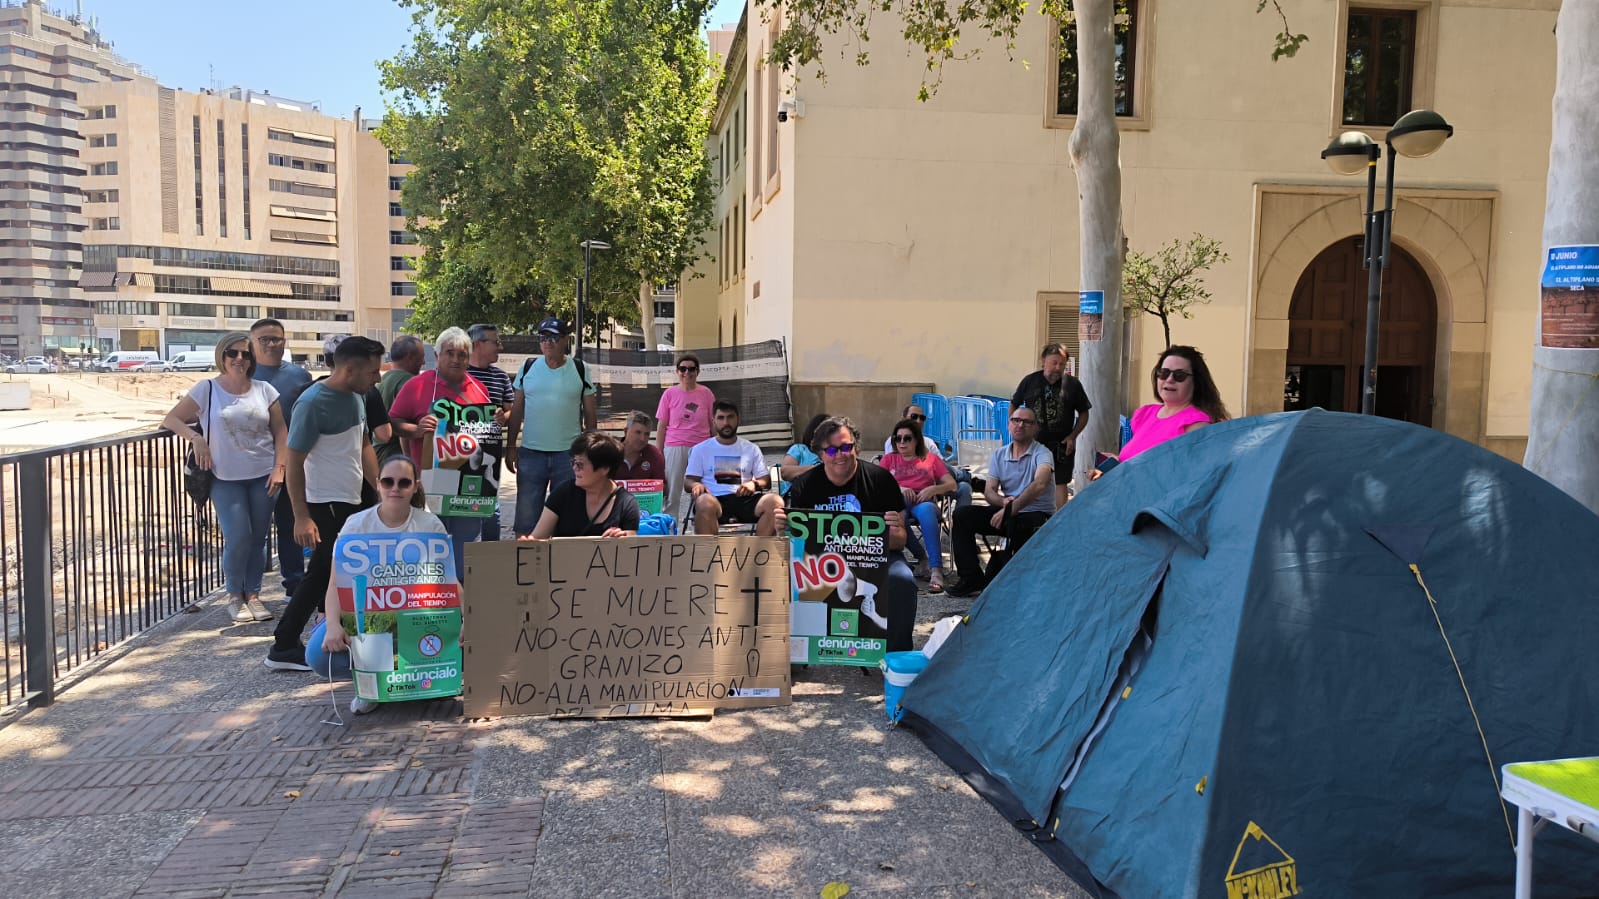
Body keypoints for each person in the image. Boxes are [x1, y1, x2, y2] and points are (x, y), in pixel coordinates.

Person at [264, 336, 385, 672]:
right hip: (324, 503)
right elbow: (294, 460)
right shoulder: (312, 403)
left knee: (338, 572)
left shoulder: (358, 396)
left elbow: (362, 445)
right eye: (373, 372)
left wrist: (379, 488)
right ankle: (283, 645)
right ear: (349, 369)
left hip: (354, 498)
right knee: (321, 573)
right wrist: (301, 516)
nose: (378, 378)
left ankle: (336, 630)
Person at [162, 332, 287, 623]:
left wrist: (279, 468)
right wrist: (196, 438)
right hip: (224, 476)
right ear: (222, 356)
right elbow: (171, 419)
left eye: (245, 354)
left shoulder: (265, 390)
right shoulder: (207, 389)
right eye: (233, 353)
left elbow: (281, 432)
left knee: (258, 538)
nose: (239, 359)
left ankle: (253, 595)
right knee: (237, 536)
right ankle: (234, 595)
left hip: (263, 474)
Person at [319, 453, 448, 714]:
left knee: (469, 645)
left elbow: (447, 581)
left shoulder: (430, 525)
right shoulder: (355, 526)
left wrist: (465, 623)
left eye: (404, 483)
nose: (395, 489)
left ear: (415, 486)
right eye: (388, 482)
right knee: (318, 656)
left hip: (416, 617)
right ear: (377, 484)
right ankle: (372, 686)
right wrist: (332, 625)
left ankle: (419, 682)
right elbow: (335, 585)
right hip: (369, 619)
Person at [784, 416, 918, 652]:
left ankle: (898, 660)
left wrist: (888, 535)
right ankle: (796, 653)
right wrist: (780, 527)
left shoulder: (881, 480)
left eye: (847, 447)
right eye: (832, 449)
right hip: (822, 564)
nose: (840, 455)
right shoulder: (803, 486)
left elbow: (900, 540)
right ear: (820, 454)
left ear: (856, 446)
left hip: (873, 560)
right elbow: (798, 543)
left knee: (902, 579)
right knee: (781, 579)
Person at [388, 327, 494, 576]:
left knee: (464, 547)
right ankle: (427, 599)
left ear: (469, 358)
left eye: (462, 354)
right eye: (450, 353)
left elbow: (485, 434)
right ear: (436, 356)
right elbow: (391, 422)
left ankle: (460, 603)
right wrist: (416, 429)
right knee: (426, 544)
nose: (456, 359)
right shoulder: (417, 386)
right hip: (428, 483)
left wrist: (495, 420)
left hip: (469, 485)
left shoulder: (479, 389)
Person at [946, 405, 1056, 598]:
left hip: (1036, 515)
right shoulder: (999, 454)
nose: (1020, 425)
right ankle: (971, 578)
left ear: (1035, 428)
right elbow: (989, 491)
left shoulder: (1043, 453)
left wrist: (1011, 508)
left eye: (1026, 422)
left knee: (1019, 524)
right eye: (1016, 420)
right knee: (962, 515)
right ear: (1008, 425)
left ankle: (1014, 582)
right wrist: (1004, 502)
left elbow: (1039, 484)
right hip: (1007, 510)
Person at [507, 318, 596, 536]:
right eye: (543, 338)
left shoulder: (580, 368)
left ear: (565, 340)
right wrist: (510, 447)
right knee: (527, 519)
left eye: (554, 337)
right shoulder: (528, 367)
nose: (548, 343)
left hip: (568, 456)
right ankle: (527, 565)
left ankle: (562, 565)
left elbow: (591, 416)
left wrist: (590, 454)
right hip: (531, 454)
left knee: (567, 518)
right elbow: (517, 410)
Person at [250, 318, 313, 596]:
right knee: (252, 532)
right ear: (252, 343)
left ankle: (294, 585)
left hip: (293, 462)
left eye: (276, 338)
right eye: (264, 339)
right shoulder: (245, 375)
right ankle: (247, 592)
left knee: (291, 525)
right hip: (252, 464)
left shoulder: (300, 377)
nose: (271, 344)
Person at [880, 417, 958, 594]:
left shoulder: (929, 459)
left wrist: (933, 489)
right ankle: (922, 559)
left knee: (926, 514)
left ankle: (936, 569)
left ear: (916, 440)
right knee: (897, 518)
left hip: (924, 502)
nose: (902, 442)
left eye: (907, 438)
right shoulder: (889, 460)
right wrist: (899, 488)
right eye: (897, 438)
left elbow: (952, 484)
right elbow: (878, 485)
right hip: (899, 503)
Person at [1116, 345, 1231, 462]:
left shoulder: (1197, 425)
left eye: (1179, 375)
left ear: (1196, 382)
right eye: (1164, 373)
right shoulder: (1144, 414)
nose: (1170, 379)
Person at [1010, 343, 1091, 508]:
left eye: (1062, 364)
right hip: (1033, 443)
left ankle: (1057, 524)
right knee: (1030, 481)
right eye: (1054, 363)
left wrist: (1073, 436)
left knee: (1060, 483)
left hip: (1062, 444)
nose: (1057, 368)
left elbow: (1084, 412)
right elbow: (1014, 404)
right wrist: (1014, 426)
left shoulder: (1073, 385)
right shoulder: (1029, 381)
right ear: (1043, 361)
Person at [684, 401, 783, 535]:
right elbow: (688, 482)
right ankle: (709, 555)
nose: (726, 422)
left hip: (744, 499)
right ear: (713, 421)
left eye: (730, 417)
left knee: (775, 501)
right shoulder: (700, 449)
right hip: (714, 499)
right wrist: (696, 485)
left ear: (738, 419)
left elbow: (766, 480)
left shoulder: (751, 448)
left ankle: (760, 553)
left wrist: (754, 484)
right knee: (703, 502)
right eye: (721, 418)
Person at [525, 433, 642, 539]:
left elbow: (631, 541)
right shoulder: (563, 493)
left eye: (580, 464)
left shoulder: (627, 503)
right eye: (573, 462)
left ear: (605, 469)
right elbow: (538, 538)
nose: (574, 468)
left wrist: (623, 537)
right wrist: (528, 542)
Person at [466, 323, 513, 542]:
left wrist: (505, 416)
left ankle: (489, 560)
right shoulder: (459, 375)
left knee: (490, 513)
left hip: (490, 456)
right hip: (457, 456)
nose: (500, 347)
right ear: (477, 344)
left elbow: (511, 409)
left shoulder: (501, 377)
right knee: (459, 510)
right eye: (496, 342)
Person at [655, 352, 714, 518]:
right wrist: (659, 452)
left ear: (698, 371)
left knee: (702, 490)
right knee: (672, 492)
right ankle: (669, 527)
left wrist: (717, 446)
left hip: (702, 448)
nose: (687, 373)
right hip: (675, 446)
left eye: (691, 369)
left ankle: (701, 525)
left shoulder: (706, 394)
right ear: (677, 371)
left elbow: (712, 422)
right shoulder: (669, 394)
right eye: (682, 369)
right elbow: (662, 425)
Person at [881, 403, 972, 508]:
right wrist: (900, 488)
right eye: (914, 416)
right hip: (903, 493)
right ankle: (963, 474)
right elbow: (885, 479)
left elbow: (942, 466)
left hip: (932, 485)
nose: (918, 421)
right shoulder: (894, 448)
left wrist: (934, 489)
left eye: (922, 418)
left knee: (964, 487)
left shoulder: (929, 442)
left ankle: (960, 521)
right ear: (903, 418)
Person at [374, 334, 425, 463]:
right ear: (410, 358)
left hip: (378, 452)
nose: (423, 362)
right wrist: (410, 461)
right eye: (421, 358)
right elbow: (404, 431)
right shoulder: (410, 382)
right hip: (396, 456)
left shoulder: (384, 379)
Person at [779, 413, 828, 492]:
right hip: (797, 495)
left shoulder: (835, 452)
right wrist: (816, 469)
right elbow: (785, 472)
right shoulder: (799, 449)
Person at [617, 411, 667, 480]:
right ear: (626, 431)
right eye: (638, 432)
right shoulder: (609, 453)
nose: (642, 439)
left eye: (646, 434)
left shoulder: (654, 455)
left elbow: (661, 485)